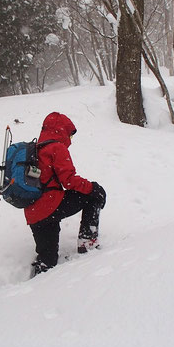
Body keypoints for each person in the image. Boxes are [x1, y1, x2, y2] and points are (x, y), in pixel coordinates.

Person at [25, 112, 106, 275]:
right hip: (50, 206)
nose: (70, 139)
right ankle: (87, 242)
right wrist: (93, 188)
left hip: (33, 214)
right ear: (62, 131)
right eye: (70, 134)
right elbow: (68, 180)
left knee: (47, 261)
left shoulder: (34, 149)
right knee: (93, 195)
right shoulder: (56, 147)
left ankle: (33, 289)